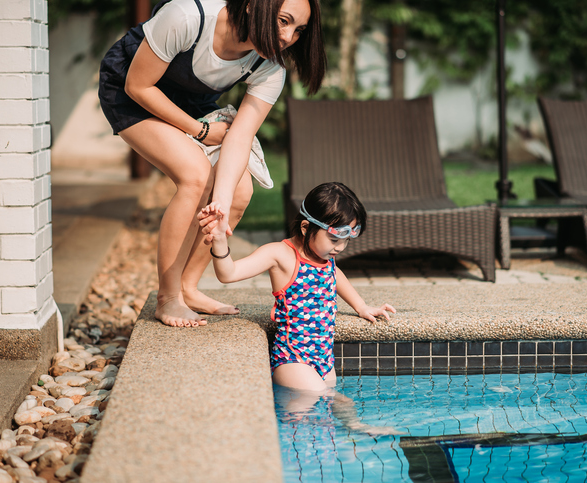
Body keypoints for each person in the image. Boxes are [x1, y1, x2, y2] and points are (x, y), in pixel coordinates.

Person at [98, 0, 326, 328]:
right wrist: (200, 130)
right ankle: (168, 297)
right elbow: (138, 86)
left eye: (299, 30)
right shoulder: (188, 17)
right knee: (195, 176)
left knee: (239, 191)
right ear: (252, 6)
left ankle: (188, 288)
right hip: (132, 92)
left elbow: (239, 137)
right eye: (283, 21)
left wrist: (220, 202)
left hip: (191, 104)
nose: (288, 37)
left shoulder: (270, 68)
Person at [200, 182, 396, 391]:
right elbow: (228, 274)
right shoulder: (280, 255)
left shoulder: (325, 255)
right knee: (329, 401)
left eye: (346, 240)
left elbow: (334, 275)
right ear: (305, 227)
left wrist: (361, 306)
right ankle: (357, 426)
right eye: (333, 239)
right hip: (293, 359)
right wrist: (219, 239)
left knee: (329, 409)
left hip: (323, 359)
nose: (340, 247)